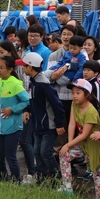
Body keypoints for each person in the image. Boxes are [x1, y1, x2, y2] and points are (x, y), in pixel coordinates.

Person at [19, 52, 65, 183]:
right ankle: (42, 178)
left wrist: (59, 124)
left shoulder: (43, 84)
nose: (22, 68)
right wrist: (27, 110)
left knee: (45, 152)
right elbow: (31, 99)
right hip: (38, 124)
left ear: (30, 67)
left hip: (48, 125)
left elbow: (57, 105)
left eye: (24, 65)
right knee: (37, 152)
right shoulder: (33, 82)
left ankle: (59, 179)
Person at [0, 56, 29, 183]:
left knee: (11, 157)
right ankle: (2, 180)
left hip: (13, 128)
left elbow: (26, 101)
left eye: (2, 68)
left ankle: (16, 181)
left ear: (10, 70)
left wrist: (12, 109)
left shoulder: (15, 85)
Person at [58, 78, 100, 198]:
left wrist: (68, 145)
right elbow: (72, 124)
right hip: (82, 142)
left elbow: (85, 134)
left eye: (78, 93)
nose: (74, 96)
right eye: (73, 92)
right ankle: (67, 188)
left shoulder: (91, 111)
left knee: (97, 172)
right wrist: (69, 143)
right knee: (64, 155)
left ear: (87, 94)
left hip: (94, 144)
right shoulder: (74, 104)